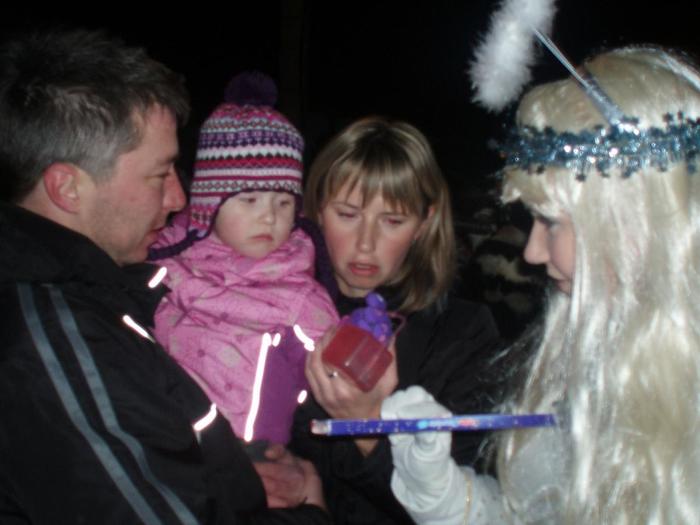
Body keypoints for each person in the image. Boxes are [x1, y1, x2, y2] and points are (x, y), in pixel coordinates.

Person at [0, 30, 329, 524]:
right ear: (68, 187)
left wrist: (229, 473)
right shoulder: (53, 345)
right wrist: (313, 513)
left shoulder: (104, 290)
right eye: (160, 174)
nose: (179, 199)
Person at [383, 46, 700, 524]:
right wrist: (440, 491)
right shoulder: (585, 353)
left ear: (633, 221)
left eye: (550, 222)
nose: (531, 252)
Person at [258, 116, 502, 524]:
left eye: (393, 221)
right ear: (315, 209)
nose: (366, 243)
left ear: (423, 223)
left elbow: (466, 509)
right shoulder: (271, 310)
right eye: (348, 214)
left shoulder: (463, 333)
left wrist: (367, 427)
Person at [149, 72, 339, 446]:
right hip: (159, 441)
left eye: (283, 203)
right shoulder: (162, 263)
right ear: (209, 204)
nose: (269, 217)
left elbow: (337, 376)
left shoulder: (300, 295)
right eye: (249, 200)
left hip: (248, 457)